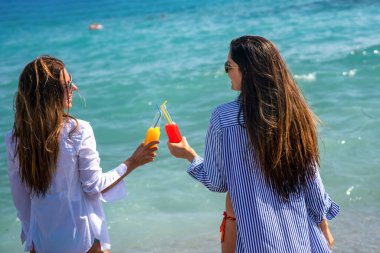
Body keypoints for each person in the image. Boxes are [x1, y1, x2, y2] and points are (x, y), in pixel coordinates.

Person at [168, 35, 339, 252]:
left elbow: (217, 182)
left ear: (246, 71)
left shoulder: (223, 117)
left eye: (229, 66)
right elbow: (311, 178)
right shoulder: (294, 113)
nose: (227, 72)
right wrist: (324, 227)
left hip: (259, 243)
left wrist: (189, 156)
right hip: (305, 240)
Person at [5, 56, 159, 253]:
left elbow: (21, 201)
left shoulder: (14, 139)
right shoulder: (77, 131)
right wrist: (133, 162)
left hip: (43, 243)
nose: (74, 88)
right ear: (48, 94)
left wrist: (31, 241)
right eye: (67, 84)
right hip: (84, 242)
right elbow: (94, 187)